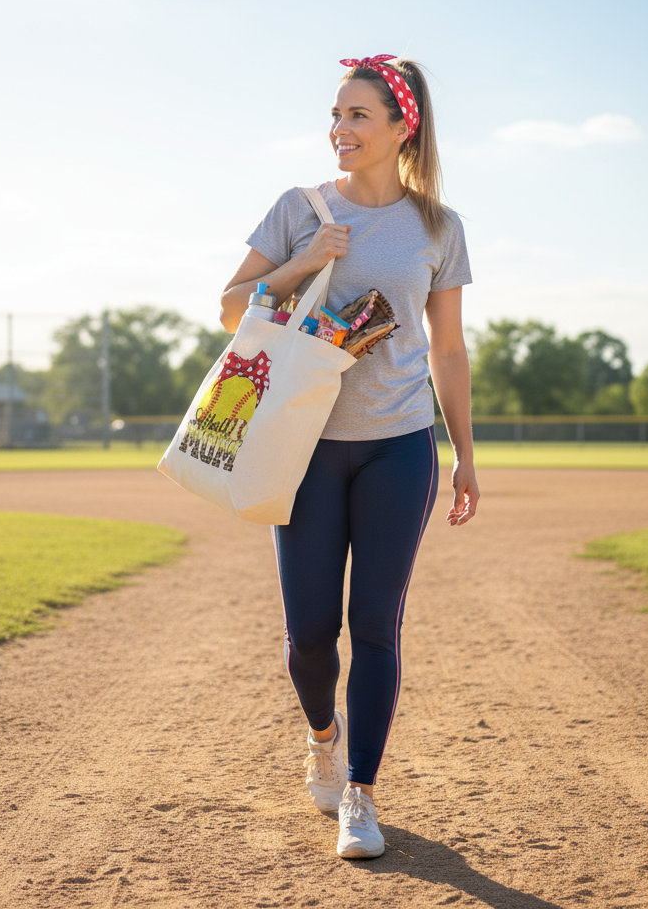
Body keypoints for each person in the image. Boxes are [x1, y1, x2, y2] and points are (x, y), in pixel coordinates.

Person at [219, 54, 478, 859]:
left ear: (404, 127)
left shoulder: (438, 227)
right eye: (336, 115)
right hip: (302, 448)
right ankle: (322, 736)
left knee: (376, 624)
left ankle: (359, 793)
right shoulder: (300, 209)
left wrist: (465, 455)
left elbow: (448, 347)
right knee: (307, 635)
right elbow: (232, 308)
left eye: (359, 115)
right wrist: (304, 260)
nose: (341, 129)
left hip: (400, 444)